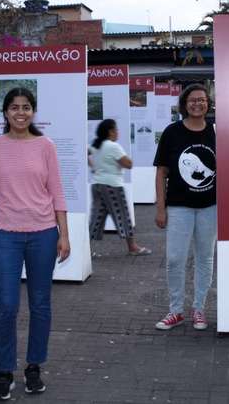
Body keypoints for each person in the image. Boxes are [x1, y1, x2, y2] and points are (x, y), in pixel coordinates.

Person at [0, 87, 70, 400]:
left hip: (43, 234)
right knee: (6, 306)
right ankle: (5, 371)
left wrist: (64, 234)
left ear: (33, 112)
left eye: (25, 107)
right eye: (14, 107)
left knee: (40, 304)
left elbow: (58, 192)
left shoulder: (45, 145)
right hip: (4, 235)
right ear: (5, 112)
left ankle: (34, 367)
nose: (20, 113)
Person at [153, 83, 216, 331]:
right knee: (175, 258)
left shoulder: (216, 132)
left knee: (205, 258)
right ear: (184, 104)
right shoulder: (172, 132)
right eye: (192, 100)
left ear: (208, 104)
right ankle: (175, 310)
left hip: (210, 206)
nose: (197, 104)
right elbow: (161, 173)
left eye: (202, 100)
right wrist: (160, 207)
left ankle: (199, 309)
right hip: (179, 206)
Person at [88, 118, 150, 256]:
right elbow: (128, 164)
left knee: (96, 218)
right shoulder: (113, 146)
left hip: (97, 185)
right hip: (112, 185)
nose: (118, 132)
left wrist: (93, 167)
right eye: (116, 129)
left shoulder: (96, 144)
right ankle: (133, 247)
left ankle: (86, 250)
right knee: (122, 214)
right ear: (111, 131)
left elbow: (85, 152)